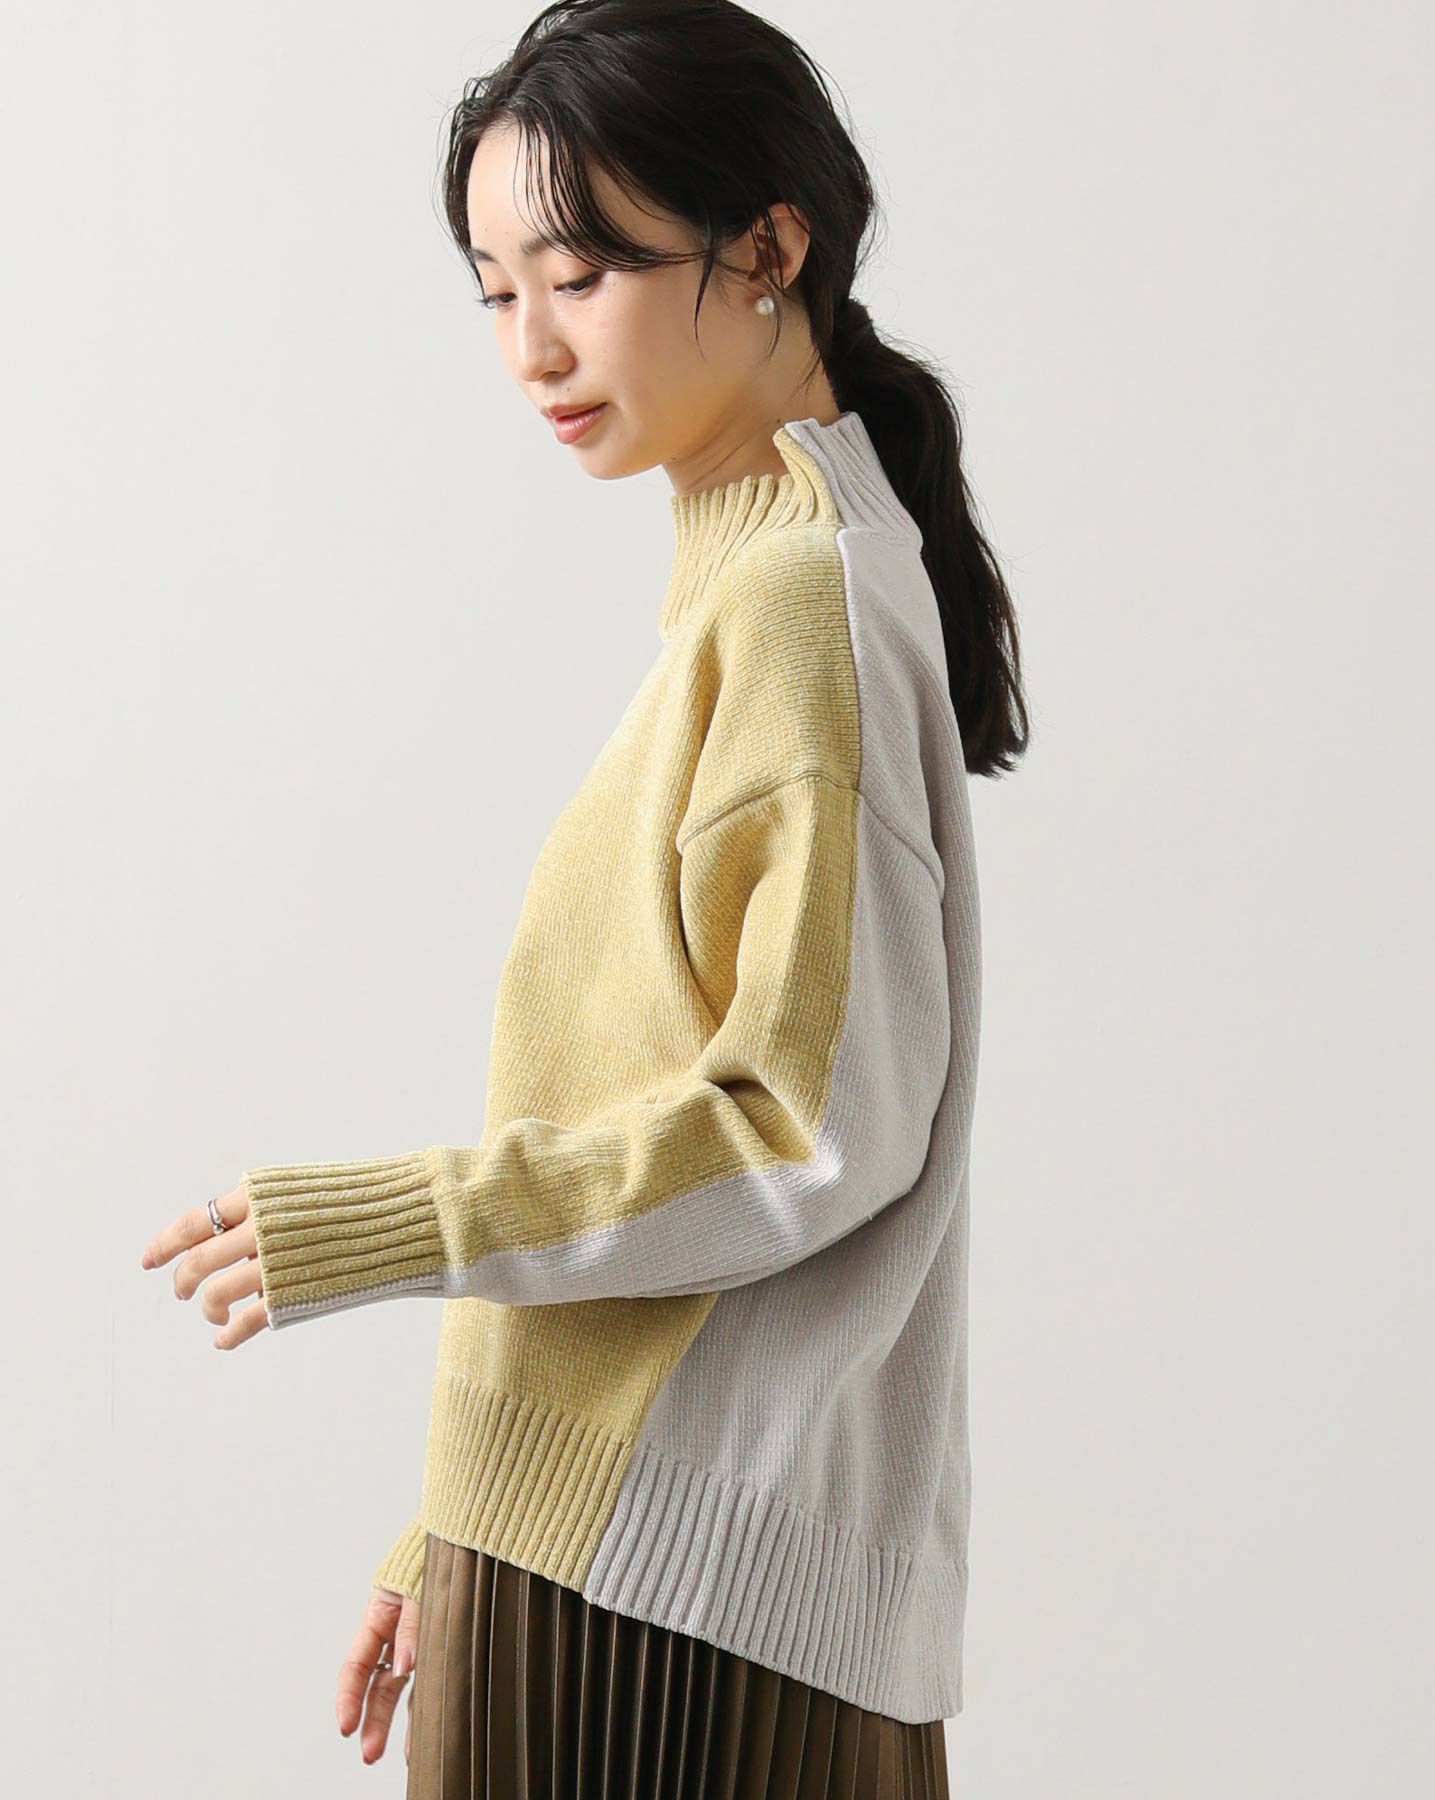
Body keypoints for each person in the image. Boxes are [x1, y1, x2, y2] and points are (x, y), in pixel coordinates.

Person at [140, 1, 1028, 1792]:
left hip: (673, 1603)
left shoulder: (798, 605)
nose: (531, 346)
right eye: (494, 290)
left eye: (583, 270)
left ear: (767, 249)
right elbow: (660, 1098)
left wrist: (395, 1220)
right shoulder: (765, 582)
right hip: (605, 1551)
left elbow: (804, 1130)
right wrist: (458, 1514)